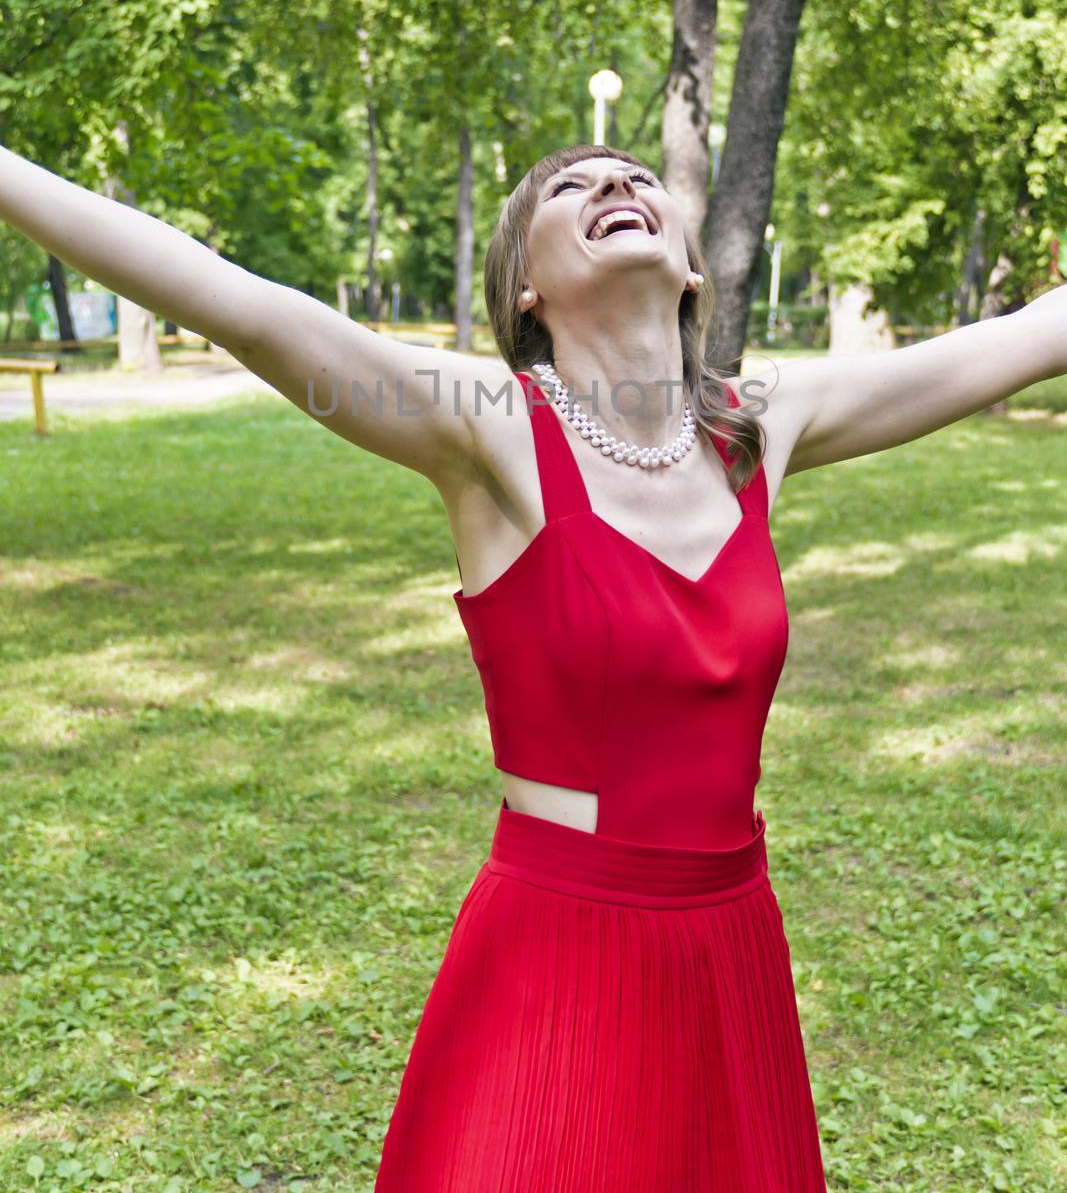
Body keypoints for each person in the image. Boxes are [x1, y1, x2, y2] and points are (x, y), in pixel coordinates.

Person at [1, 140, 1064, 1191]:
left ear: (691, 263)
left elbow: (1023, 336)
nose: (614, 183)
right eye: (570, 186)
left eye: (638, 176)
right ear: (524, 285)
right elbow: (228, 295)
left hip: (729, 944)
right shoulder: (487, 425)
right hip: (557, 950)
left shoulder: (755, 425)